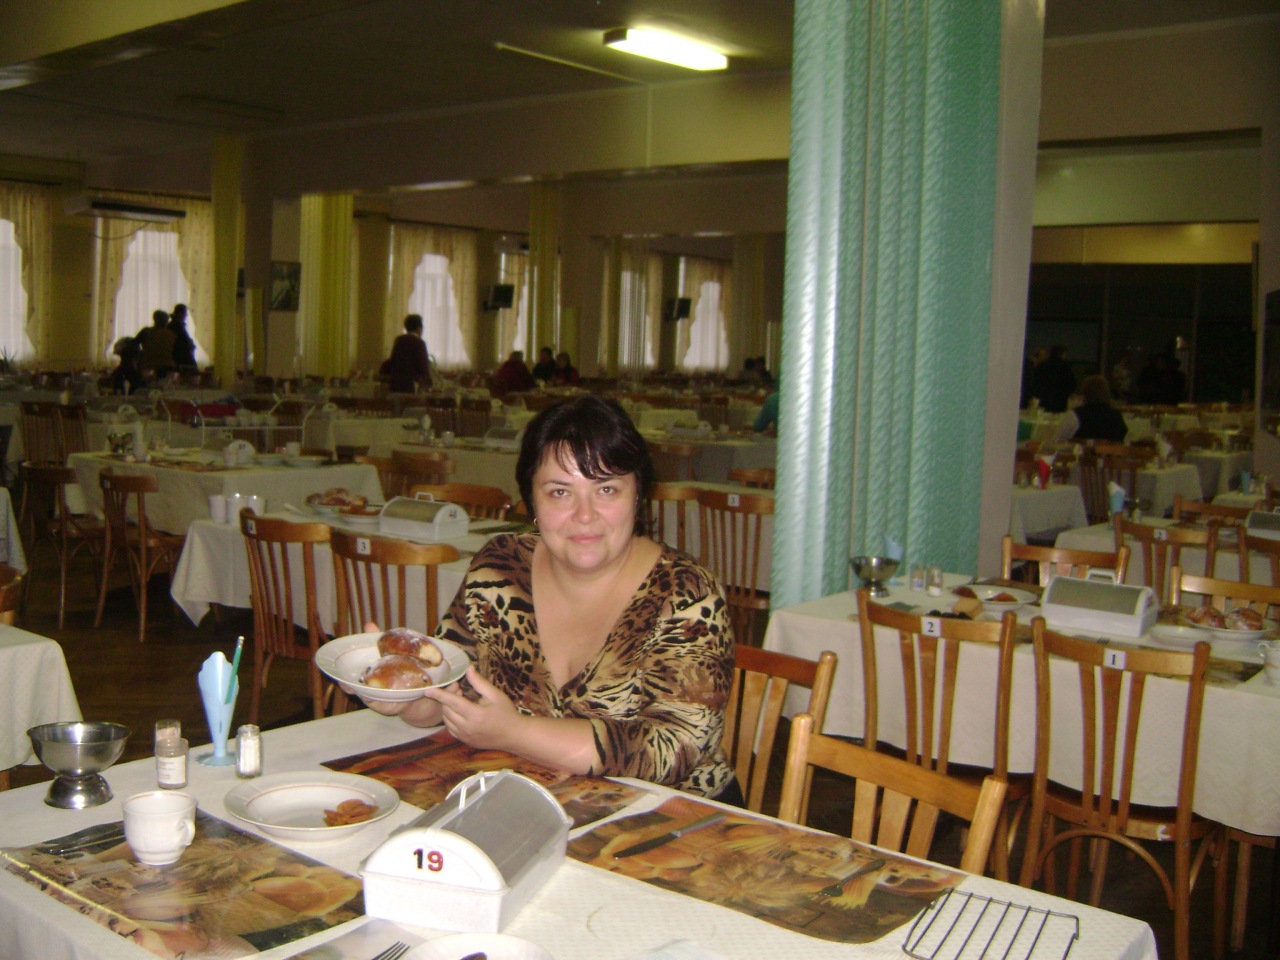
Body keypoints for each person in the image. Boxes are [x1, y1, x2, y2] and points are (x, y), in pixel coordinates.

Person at [353, 395, 739, 802]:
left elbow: (674, 748)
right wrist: (405, 698)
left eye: (607, 489)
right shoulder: (500, 567)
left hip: (675, 815)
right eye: (559, 492)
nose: (585, 514)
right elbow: (454, 690)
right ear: (532, 500)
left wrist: (515, 732)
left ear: (638, 494)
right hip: (533, 797)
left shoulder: (686, 593)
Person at [1055, 374, 1128, 443]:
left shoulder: (1075, 415)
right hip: (1111, 452)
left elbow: (1059, 439)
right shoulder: (1116, 416)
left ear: (1084, 394)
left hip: (1083, 452)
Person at [380, 314, 431, 393]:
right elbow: (423, 367)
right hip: (411, 386)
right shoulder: (419, 343)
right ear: (419, 329)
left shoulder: (399, 340)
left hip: (395, 385)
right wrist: (429, 382)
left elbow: (393, 361)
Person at [1030, 344, 1076, 413]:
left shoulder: (1043, 365)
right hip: (1061, 401)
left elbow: (1036, 382)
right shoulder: (1066, 367)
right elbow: (1071, 384)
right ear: (1062, 354)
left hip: (1045, 400)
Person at [135, 309, 175, 379]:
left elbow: (134, 343)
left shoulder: (146, 331)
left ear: (154, 319)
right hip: (168, 367)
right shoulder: (172, 334)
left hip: (147, 365)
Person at [168, 303, 197, 371]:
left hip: (179, 356)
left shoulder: (175, 325)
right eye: (185, 313)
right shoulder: (176, 326)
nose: (186, 316)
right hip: (180, 357)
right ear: (179, 314)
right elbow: (183, 342)